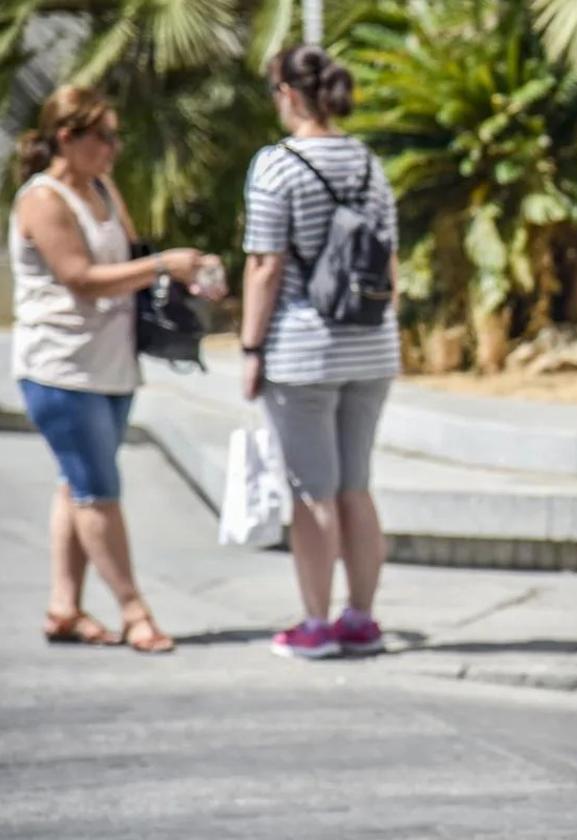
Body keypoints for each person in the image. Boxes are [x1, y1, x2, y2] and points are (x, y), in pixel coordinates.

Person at [10, 85, 224, 653]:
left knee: (76, 485)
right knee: (97, 491)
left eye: (115, 136)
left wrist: (187, 272)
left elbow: (130, 260)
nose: (113, 148)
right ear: (68, 138)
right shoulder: (43, 199)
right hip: (60, 369)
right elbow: (78, 275)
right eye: (103, 136)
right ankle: (135, 612)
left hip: (111, 364)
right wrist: (161, 264)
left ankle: (64, 606)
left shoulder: (102, 188)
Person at [240, 45, 400, 659]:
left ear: (285, 92)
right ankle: (360, 618)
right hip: (371, 344)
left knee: (313, 490)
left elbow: (264, 265)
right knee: (355, 486)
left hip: (303, 348)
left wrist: (252, 347)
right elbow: (387, 261)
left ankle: (314, 624)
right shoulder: (368, 163)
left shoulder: (275, 166)